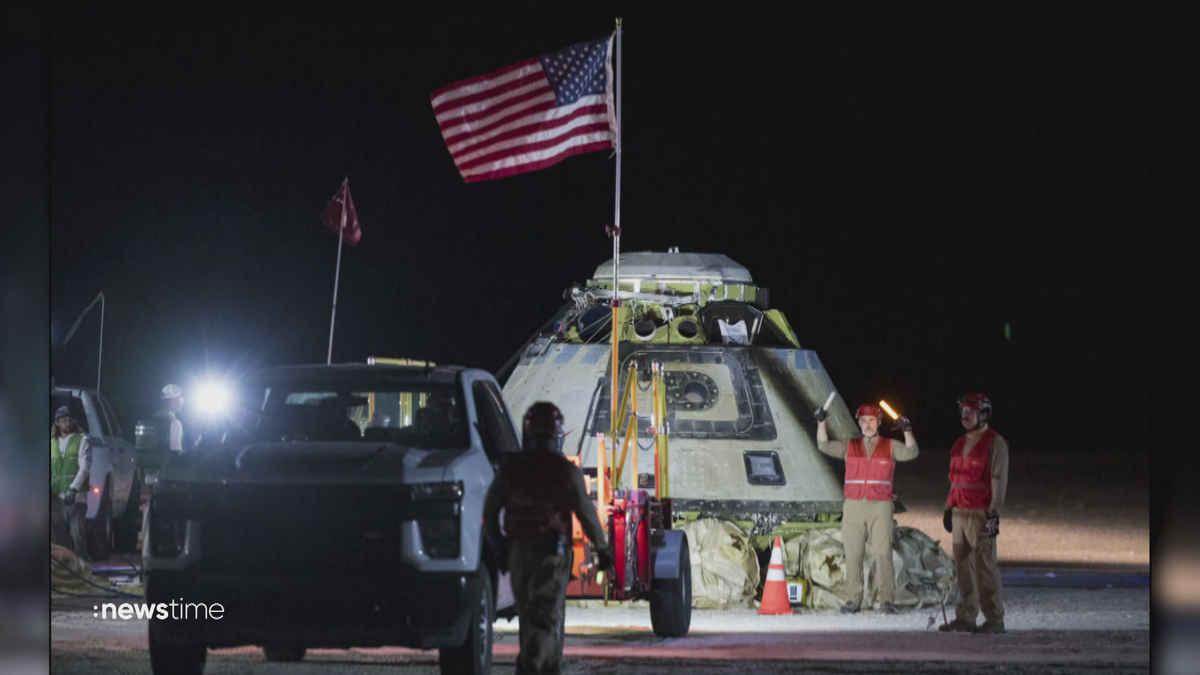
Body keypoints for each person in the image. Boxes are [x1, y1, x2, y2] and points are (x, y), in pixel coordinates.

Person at [483, 402, 614, 675]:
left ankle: (548, 668)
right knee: (544, 622)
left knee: (530, 619)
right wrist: (602, 549)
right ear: (557, 433)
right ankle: (529, 668)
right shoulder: (565, 471)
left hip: (517, 553)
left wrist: (500, 549)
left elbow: (489, 511)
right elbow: (587, 514)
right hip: (551, 557)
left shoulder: (510, 469)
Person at [816, 402, 919, 614]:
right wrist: (821, 422)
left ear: (879, 422)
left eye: (871, 420)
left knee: (883, 554)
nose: (867, 424)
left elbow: (911, 453)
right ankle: (853, 600)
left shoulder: (890, 445)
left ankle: (886, 600)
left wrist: (907, 430)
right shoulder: (849, 445)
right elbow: (823, 445)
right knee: (852, 554)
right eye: (863, 420)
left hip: (880, 506)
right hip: (853, 506)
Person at [939, 392, 1009, 634]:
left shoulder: (994, 442)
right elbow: (955, 480)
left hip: (981, 513)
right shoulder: (959, 443)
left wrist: (994, 514)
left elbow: (999, 479)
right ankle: (966, 616)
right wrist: (949, 508)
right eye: (963, 410)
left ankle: (994, 618)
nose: (965, 415)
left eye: (970, 410)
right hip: (959, 512)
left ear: (984, 414)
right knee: (963, 567)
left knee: (985, 567)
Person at [50, 405, 91, 559]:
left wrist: (73, 489)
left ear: (73, 421)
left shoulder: (82, 440)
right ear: (57, 423)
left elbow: (85, 467)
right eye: (63, 420)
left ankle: (81, 569)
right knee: (59, 541)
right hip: (57, 499)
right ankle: (65, 573)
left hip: (76, 498)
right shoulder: (52, 443)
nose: (66, 423)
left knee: (77, 534)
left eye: (69, 420)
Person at [158, 384, 185, 451]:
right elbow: (175, 451)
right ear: (172, 401)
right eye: (180, 399)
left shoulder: (148, 419)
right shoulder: (175, 423)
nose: (182, 402)